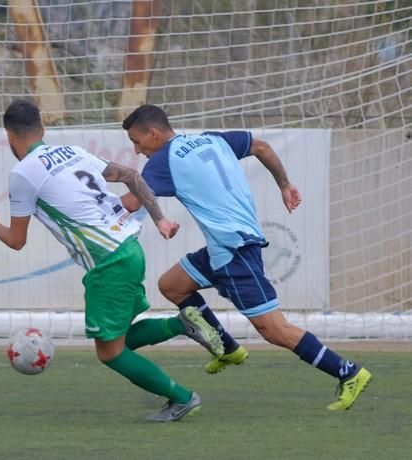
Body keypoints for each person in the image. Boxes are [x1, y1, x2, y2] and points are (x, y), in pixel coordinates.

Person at [0, 99, 224, 422]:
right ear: (44, 129)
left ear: (10, 137)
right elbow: (132, 175)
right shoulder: (74, 152)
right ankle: (184, 323)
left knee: (110, 353)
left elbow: (17, 240)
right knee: (119, 339)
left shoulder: (23, 174)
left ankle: (182, 396)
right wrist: (160, 218)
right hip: (130, 249)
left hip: (108, 262)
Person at [120, 104, 372, 411]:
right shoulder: (212, 139)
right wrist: (284, 184)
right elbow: (262, 146)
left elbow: (132, 203)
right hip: (222, 248)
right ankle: (227, 348)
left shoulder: (163, 160)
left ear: (154, 133)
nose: (136, 149)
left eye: (137, 141)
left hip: (234, 251)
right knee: (172, 285)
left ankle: (348, 372)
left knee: (274, 330)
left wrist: (83, 198)